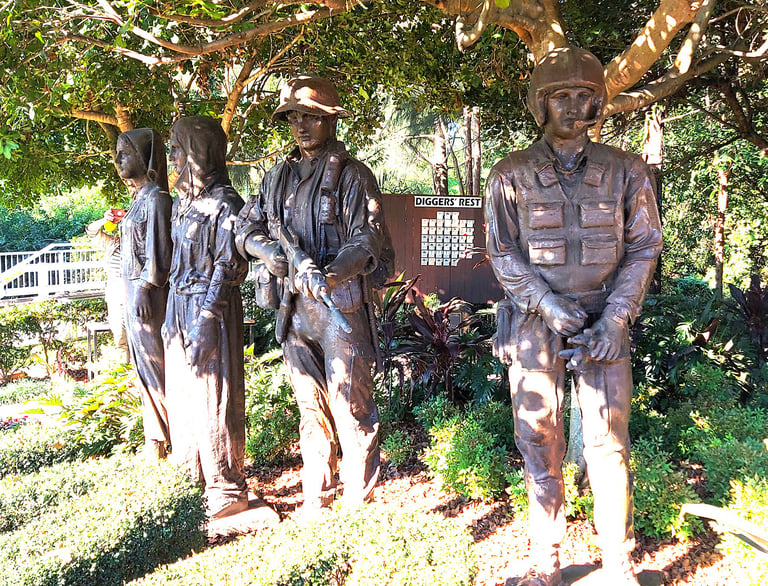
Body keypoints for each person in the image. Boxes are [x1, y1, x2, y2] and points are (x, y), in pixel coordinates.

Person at [485, 47, 662, 586]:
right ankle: (546, 559)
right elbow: (501, 250)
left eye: (583, 95)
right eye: (559, 95)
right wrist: (545, 302)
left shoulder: (626, 170)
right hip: (533, 324)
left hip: (606, 321)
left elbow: (644, 246)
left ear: (597, 103)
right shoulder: (510, 173)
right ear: (540, 103)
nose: (571, 104)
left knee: (609, 445)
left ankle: (617, 561)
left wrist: (616, 317)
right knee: (539, 440)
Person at [235, 76, 392, 514]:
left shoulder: (354, 177)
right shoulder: (275, 179)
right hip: (294, 311)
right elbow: (246, 228)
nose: (301, 126)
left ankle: (358, 501)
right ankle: (317, 497)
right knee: (311, 408)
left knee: (351, 406)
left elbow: (367, 240)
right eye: (294, 117)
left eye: (312, 117)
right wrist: (269, 253)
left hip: (341, 307)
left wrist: (330, 274)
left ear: (331, 121)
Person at [163, 116, 249, 519]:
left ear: (198, 153)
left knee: (215, 396)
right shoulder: (184, 204)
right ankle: (190, 478)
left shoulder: (226, 204)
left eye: (177, 149)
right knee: (184, 395)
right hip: (178, 306)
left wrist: (208, 317)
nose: (172, 157)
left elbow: (229, 264)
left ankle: (226, 487)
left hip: (210, 308)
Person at [113, 128, 173, 460]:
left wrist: (144, 288)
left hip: (148, 298)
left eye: (125, 153)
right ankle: (154, 435)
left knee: (155, 363)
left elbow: (159, 253)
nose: (118, 159)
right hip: (133, 294)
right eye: (118, 153)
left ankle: (164, 436)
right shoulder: (138, 200)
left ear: (143, 157)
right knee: (142, 364)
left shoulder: (157, 199)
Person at [86, 211, 128, 358]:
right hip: (116, 296)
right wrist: (106, 219)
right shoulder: (112, 243)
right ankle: (125, 367)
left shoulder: (144, 243)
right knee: (120, 338)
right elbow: (91, 231)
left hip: (138, 297)